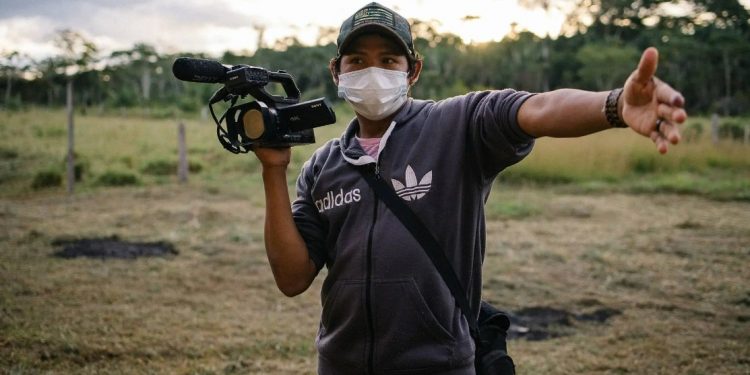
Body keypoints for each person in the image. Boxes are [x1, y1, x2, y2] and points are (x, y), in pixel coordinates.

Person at [252, 2, 687, 374]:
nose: (372, 72)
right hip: (339, 366)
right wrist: (274, 170)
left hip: (439, 364)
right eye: (357, 61)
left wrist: (612, 105)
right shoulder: (324, 166)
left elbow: (536, 108)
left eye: (388, 61)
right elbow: (292, 278)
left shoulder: (456, 126)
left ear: (413, 70)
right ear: (337, 71)